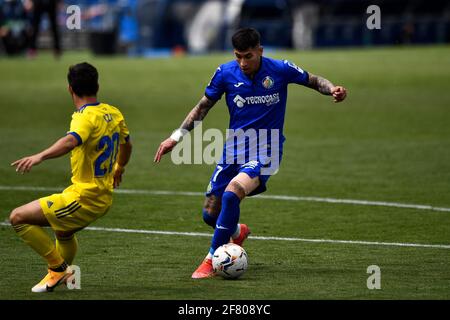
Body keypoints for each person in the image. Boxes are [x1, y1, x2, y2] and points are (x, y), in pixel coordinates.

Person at [154, 27, 347, 279]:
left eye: (248, 56)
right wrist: (176, 137)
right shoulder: (225, 73)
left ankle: (211, 259)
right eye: (238, 56)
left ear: (260, 51)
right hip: (233, 149)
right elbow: (203, 107)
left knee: (232, 194)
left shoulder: (280, 69)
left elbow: (313, 80)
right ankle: (236, 232)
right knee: (210, 213)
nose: (243, 62)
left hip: (267, 148)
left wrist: (332, 88)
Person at [9, 62, 132, 292]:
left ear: (70, 89)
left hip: (85, 198)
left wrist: (40, 156)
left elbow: (71, 140)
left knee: (18, 217)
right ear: (97, 85)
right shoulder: (112, 112)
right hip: (101, 196)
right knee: (63, 232)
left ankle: (58, 268)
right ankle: (65, 277)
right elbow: (127, 144)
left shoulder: (83, 117)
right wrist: (119, 167)